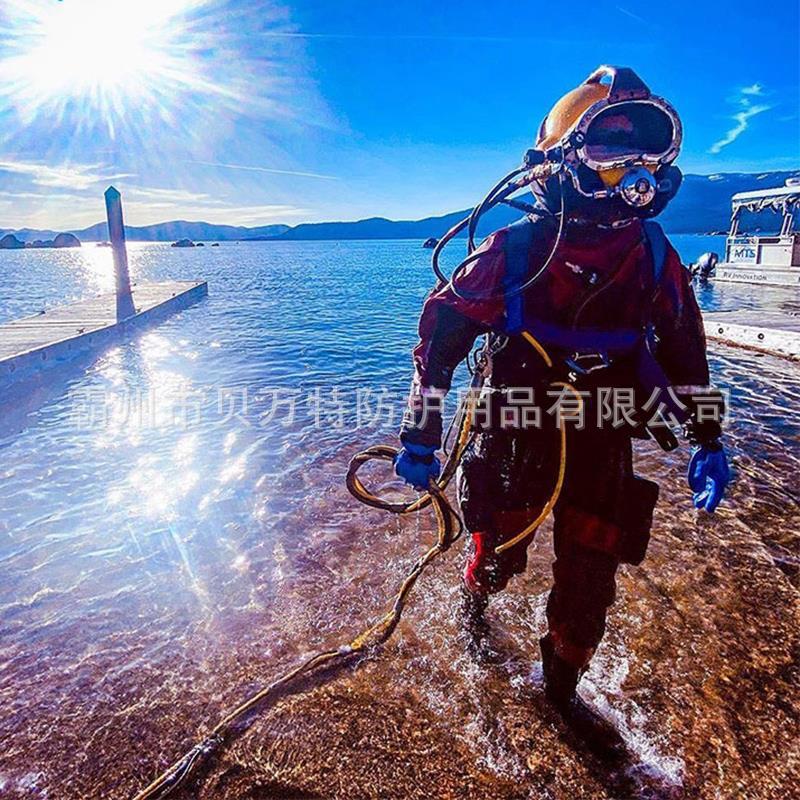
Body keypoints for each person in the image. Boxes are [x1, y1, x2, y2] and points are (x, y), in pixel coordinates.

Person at [393, 66, 730, 750]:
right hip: (516, 426)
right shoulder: (517, 252)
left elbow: (687, 352)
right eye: (610, 149)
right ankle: (475, 608)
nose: (633, 170)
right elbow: (441, 337)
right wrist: (421, 432)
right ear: (562, 157)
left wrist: (709, 437)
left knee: (591, 577)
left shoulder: (654, 255)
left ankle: (561, 695)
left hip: (604, 432)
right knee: (498, 550)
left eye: (648, 152)